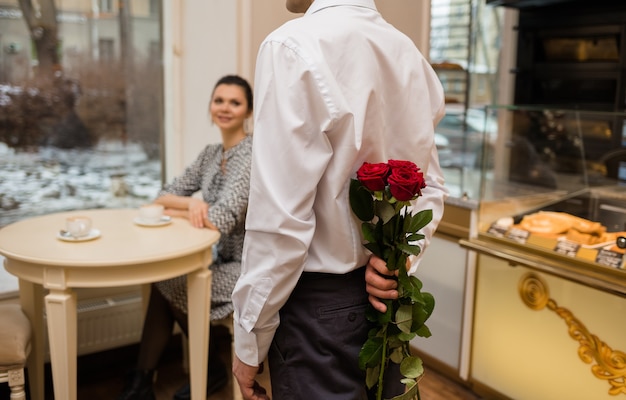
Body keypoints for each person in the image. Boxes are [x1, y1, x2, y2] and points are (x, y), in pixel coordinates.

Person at [231, 1, 449, 400]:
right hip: (384, 300)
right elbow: (430, 186)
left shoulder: (291, 45)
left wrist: (249, 342)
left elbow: (280, 224)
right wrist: (398, 258)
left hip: (316, 310)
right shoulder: (408, 54)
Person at [116, 74, 253, 400]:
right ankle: (150, 378)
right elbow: (161, 196)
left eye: (235, 102)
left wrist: (196, 209)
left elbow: (220, 219)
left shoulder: (250, 154)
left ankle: (150, 378)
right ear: (210, 107)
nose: (225, 108)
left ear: (248, 111)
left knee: (170, 283)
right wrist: (192, 203)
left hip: (251, 266)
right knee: (168, 280)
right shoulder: (210, 154)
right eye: (219, 100)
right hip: (221, 258)